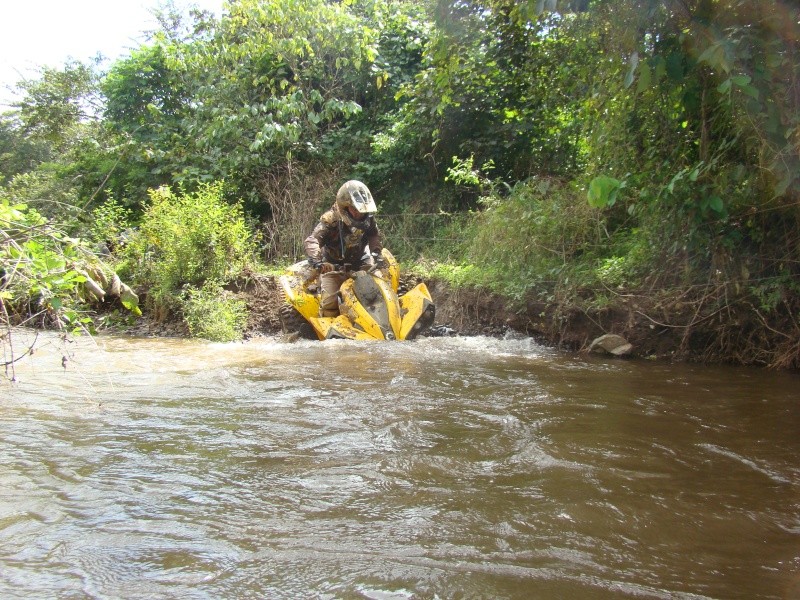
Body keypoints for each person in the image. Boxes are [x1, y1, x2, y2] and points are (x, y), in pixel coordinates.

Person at [304, 180, 384, 317]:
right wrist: (316, 260)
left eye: (362, 210)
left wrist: (376, 253)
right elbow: (313, 240)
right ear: (344, 207)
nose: (359, 214)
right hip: (333, 265)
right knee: (330, 303)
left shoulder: (368, 219)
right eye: (355, 209)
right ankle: (330, 332)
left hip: (361, 262)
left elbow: (373, 234)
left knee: (379, 289)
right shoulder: (330, 220)